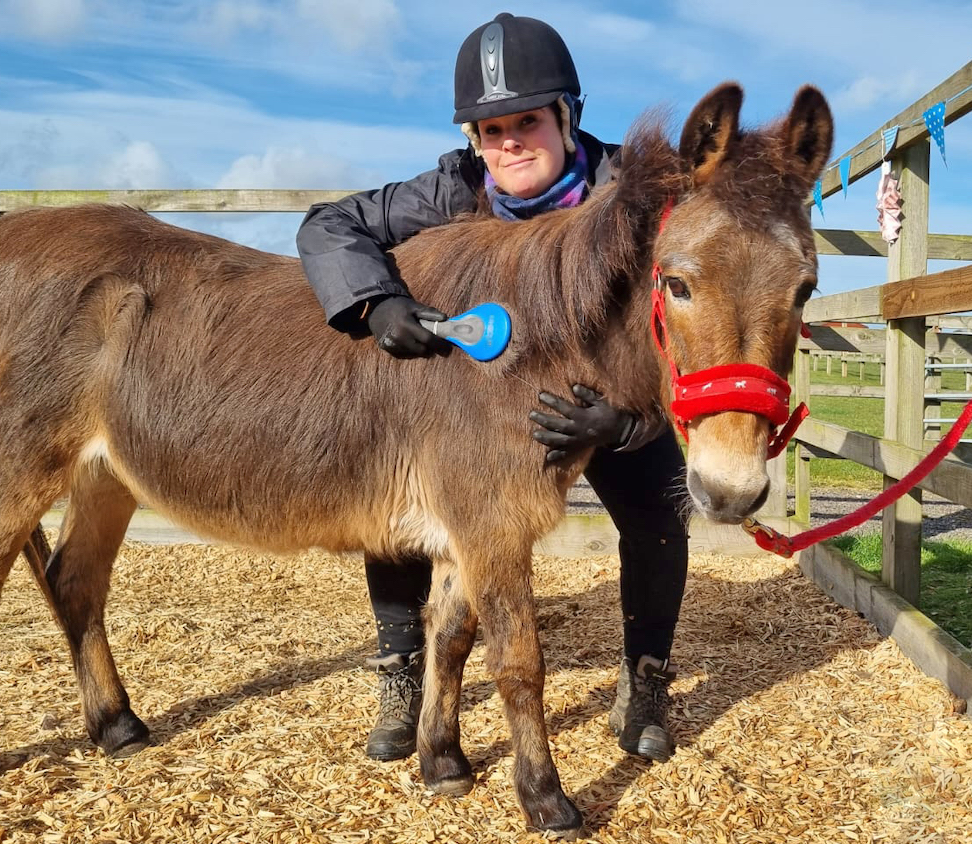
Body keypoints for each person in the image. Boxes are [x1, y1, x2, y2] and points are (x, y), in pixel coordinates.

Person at [295, 12, 689, 764]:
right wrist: (376, 302)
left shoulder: (634, 201)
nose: (509, 143)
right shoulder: (451, 189)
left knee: (657, 508)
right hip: (482, 404)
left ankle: (645, 678)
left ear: (567, 118)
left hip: (599, 407)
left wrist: (628, 422)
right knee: (404, 509)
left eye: (528, 122)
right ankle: (402, 673)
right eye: (491, 128)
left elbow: (681, 319)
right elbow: (327, 226)